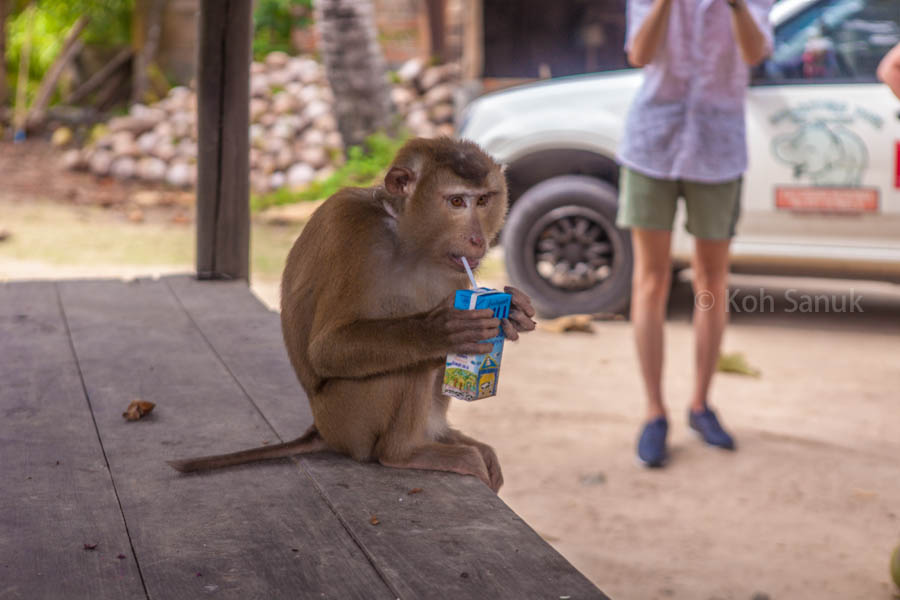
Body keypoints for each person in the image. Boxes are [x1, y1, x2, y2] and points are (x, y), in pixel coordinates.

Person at [616, 0, 773, 467]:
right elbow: (639, 54)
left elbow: (755, 52)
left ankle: (701, 405)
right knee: (651, 279)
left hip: (719, 147)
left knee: (711, 280)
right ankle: (653, 411)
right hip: (652, 144)